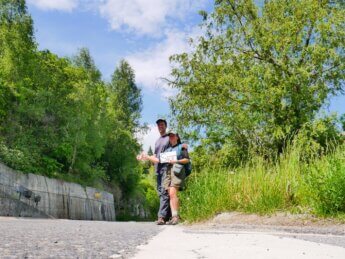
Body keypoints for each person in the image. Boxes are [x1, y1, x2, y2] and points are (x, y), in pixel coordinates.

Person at [142, 129, 190, 225]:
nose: (171, 137)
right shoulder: (167, 150)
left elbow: (187, 160)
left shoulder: (182, 147)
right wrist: (146, 156)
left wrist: (176, 161)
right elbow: (158, 160)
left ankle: (176, 217)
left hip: (177, 171)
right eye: (170, 136)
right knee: (170, 194)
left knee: (172, 193)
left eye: (173, 136)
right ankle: (174, 217)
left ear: (177, 137)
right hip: (167, 173)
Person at [137, 119, 170, 225]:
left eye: (162, 125)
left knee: (164, 192)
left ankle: (161, 217)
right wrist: (144, 157)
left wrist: (148, 157)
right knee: (161, 192)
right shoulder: (157, 141)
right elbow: (155, 156)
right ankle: (167, 216)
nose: (160, 126)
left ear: (165, 126)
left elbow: (167, 156)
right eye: (159, 125)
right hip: (158, 170)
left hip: (166, 168)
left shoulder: (169, 138)